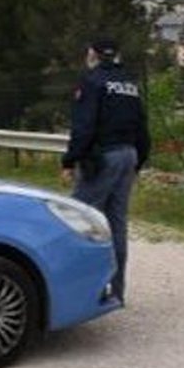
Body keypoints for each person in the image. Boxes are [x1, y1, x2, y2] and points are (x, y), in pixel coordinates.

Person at [59, 36, 149, 304]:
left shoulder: (92, 81)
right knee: (116, 225)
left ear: (92, 54)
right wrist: (138, 163)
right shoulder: (130, 84)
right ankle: (116, 291)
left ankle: (78, 294)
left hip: (103, 158)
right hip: (128, 156)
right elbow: (142, 127)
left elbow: (84, 127)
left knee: (78, 220)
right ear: (117, 55)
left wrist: (69, 161)